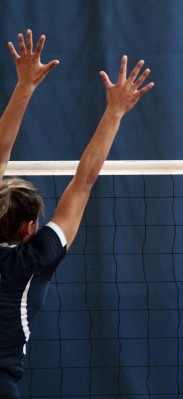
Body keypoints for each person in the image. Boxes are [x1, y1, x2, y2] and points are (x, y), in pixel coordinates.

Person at [0, 30, 154, 398]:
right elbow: (84, 181)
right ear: (30, 228)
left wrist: (23, 87)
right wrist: (115, 112)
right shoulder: (33, 259)